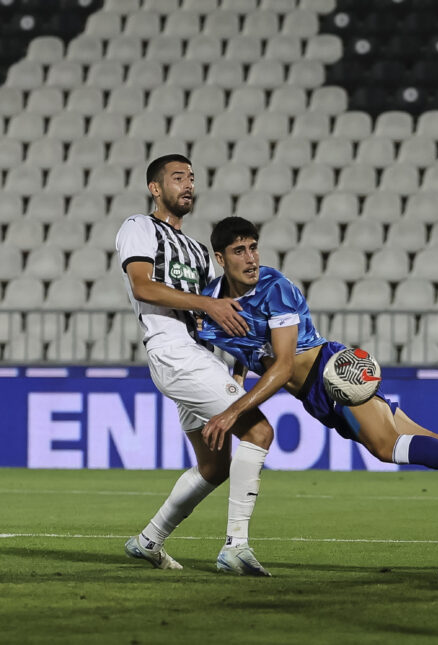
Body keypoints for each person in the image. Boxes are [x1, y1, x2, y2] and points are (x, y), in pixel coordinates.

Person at [196, 216, 438, 475]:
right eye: (239, 251)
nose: (251, 258)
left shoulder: (275, 288)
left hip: (333, 372)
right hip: (313, 396)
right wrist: (238, 377)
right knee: (435, 442)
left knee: (385, 448)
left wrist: (233, 410)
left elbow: (283, 367)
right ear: (220, 259)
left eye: (253, 247)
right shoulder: (212, 303)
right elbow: (247, 342)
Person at [116, 154, 273, 576]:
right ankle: (235, 547)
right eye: (177, 177)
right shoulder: (139, 227)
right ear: (155, 188)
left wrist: (239, 361)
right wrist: (206, 303)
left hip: (196, 354)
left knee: (213, 465)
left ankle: (148, 541)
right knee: (258, 430)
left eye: (192, 178)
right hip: (171, 349)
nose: (188, 185)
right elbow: (142, 285)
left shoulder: (199, 252)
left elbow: (213, 319)